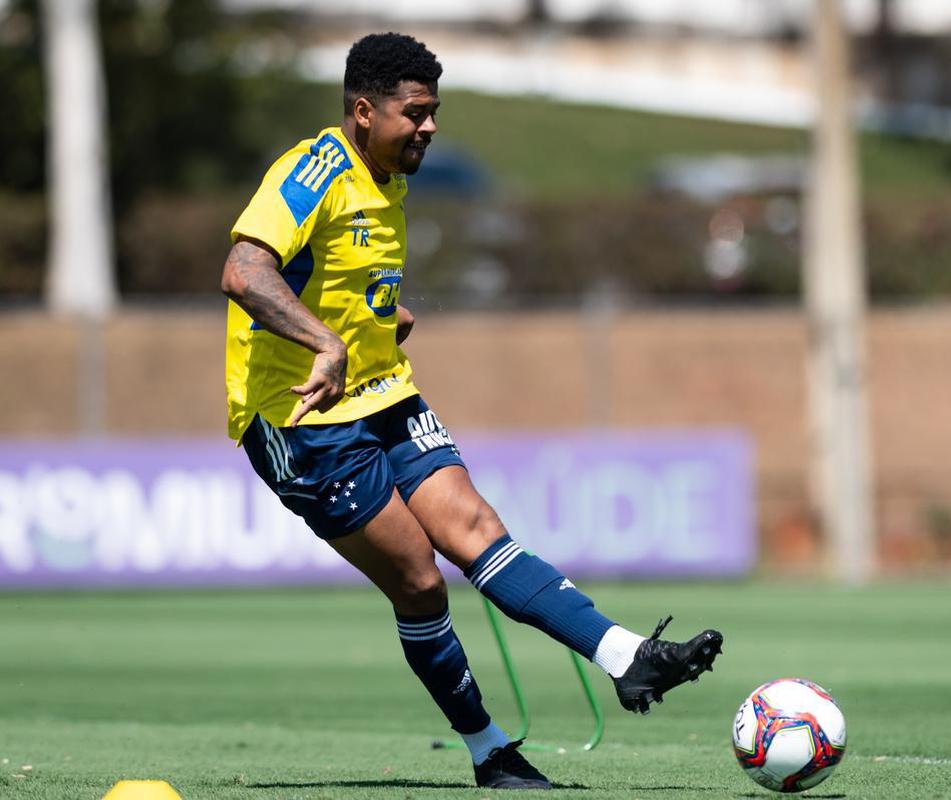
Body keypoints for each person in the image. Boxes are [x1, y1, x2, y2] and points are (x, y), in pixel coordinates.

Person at [219, 31, 723, 790]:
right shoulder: (313, 168)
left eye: (433, 112)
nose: (428, 127)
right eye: (414, 113)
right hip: (299, 419)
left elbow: (333, 275)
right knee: (420, 581)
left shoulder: (388, 174)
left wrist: (375, 320)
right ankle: (489, 750)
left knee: (478, 532)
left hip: (383, 391)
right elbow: (244, 270)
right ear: (363, 111)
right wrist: (325, 341)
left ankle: (627, 659)